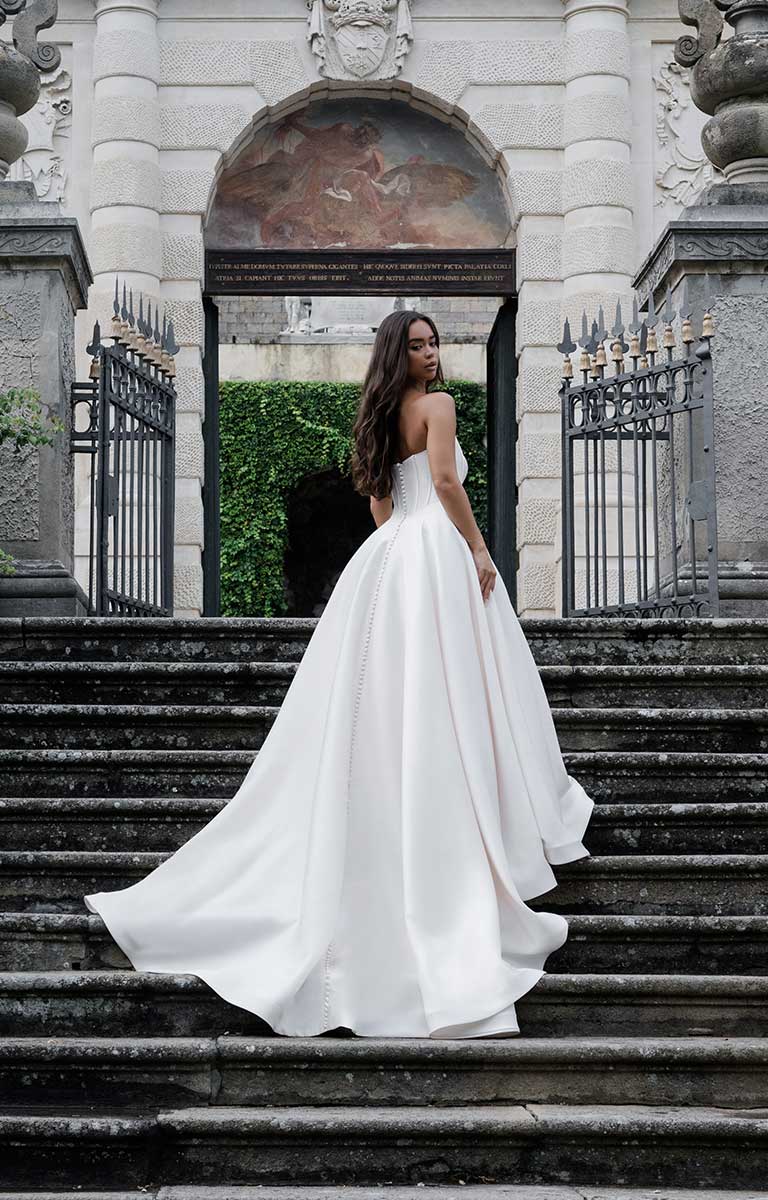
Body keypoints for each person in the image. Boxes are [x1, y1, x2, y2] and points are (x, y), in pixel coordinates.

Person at [85, 310, 594, 1040]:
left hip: (387, 560)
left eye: (431, 342)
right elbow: (446, 482)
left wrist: (408, 546)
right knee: (447, 685)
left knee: (393, 691)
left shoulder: (383, 418)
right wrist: (479, 550)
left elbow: (382, 508)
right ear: (401, 354)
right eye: (417, 345)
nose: (430, 354)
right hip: (435, 553)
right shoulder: (442, 407)